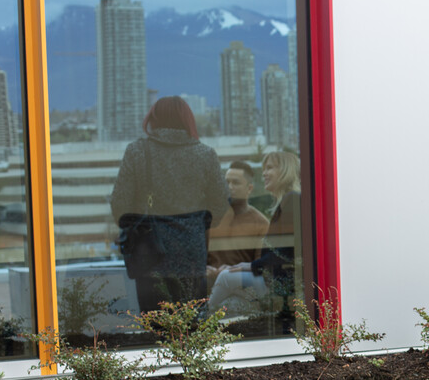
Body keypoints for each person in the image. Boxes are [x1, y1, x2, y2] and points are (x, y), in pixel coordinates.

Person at [112, 96, 229, 312]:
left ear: (153, 119)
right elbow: (221, 204)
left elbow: (120, 205)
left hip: (149, 253)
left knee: (156, 324)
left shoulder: (137, 151)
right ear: (187, 121)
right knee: (191, 325)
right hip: (192, 254)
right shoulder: (205, 154)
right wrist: (195, 225)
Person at [207, 151, 301, 322]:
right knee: (229, 305)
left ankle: (198, 320)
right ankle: (207, 325)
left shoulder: (292, 201)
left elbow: (286, 251)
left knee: (226, 277)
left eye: (270, 168)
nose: (264, 173)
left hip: (277, 288)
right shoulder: (284, 204)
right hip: (271, 284)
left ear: (285, 170)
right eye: (264, 168)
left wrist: (251, 265)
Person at [206, 161, 270, 282]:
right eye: (226, 182)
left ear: (249, 188)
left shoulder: (261, 223)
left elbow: (262, 267)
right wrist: (203, 269)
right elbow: (195, 258)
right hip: (207, 287)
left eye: (235, 183)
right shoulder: (209, 218)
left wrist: (233, 270)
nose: (229, 187)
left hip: (241, 288)